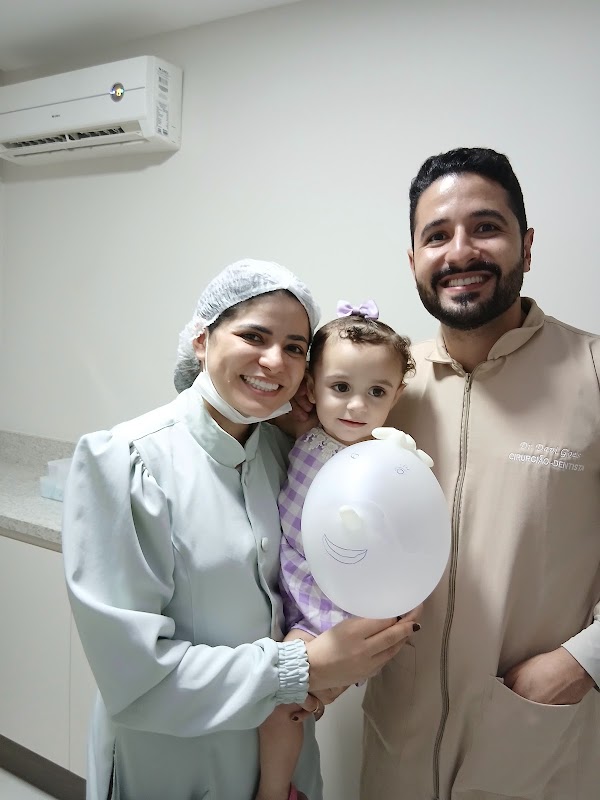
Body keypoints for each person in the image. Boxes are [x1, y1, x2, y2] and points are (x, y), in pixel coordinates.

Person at [61, 259, 418, 800]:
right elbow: (134, 678)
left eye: (296, 347)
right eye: (253, 335)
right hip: (171, 759)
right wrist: (304, 666)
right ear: (202, 340)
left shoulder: (288, 454)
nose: (274, 360)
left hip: (280, 748)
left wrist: (331, 669)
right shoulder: (128, 461)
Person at [360, 148, 600, 800]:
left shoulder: (593, 373)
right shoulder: (386, 387)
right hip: (397, 745)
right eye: (436, 235)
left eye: (485, 228)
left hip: (534, 746)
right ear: (413, 260)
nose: (460, 252)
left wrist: (582, 663)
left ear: (526, 245)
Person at [255, 300, 421, 800]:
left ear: (397, 395)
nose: (356, 407)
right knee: (285, 697)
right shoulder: (306, 435)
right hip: (296, 594)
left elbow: (398, 539)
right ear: (311, 389)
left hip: (330, 612)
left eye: (376, 392)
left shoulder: (380, 464)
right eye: (340, 388)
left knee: (279, 700)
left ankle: (273, 791)